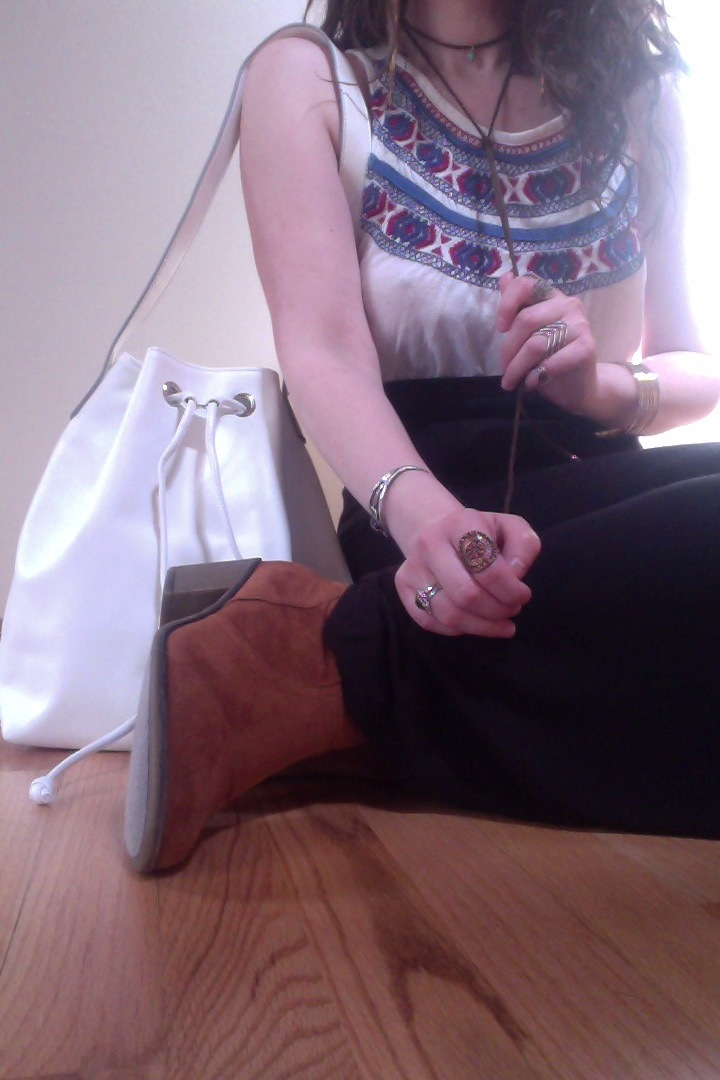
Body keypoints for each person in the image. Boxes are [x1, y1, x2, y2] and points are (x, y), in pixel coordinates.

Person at [124, 0, 720, 872]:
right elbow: (323, 353)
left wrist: (602, 385)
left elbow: (689, 360)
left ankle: (331, 667)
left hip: (607, 507)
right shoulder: (311, 77)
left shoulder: (638, 93)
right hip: (413, 514)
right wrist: (432, 522)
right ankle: (359, 677)